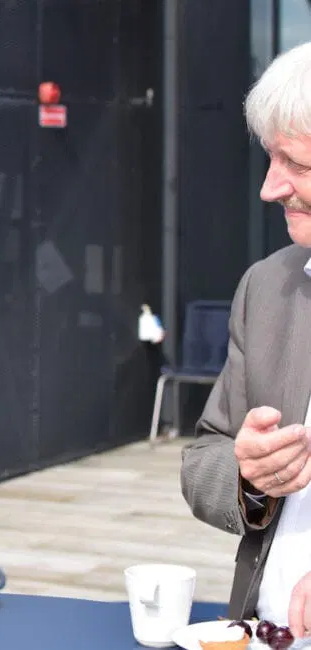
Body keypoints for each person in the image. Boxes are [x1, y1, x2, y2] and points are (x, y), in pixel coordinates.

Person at [181, 41, 311, 637]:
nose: (270, 188)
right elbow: (205, 456)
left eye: (297, 166)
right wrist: (248, 478)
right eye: (269, 159)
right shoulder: (266, 287)